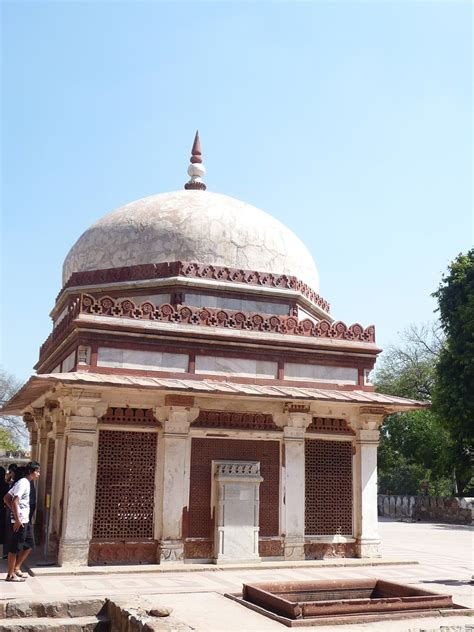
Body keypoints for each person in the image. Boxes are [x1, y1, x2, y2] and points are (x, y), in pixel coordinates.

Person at [3, 461, 41, 582]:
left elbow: (6, 498)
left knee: (29, 544)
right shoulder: (23, 483)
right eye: (37, 471)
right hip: (20, 521)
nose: (39, 474)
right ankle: (10, 575)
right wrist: (17, 518)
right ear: (31, 471)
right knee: (15, 547)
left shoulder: (26, 483)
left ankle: (16, 567)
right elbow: (14, 500)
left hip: (25, 519)